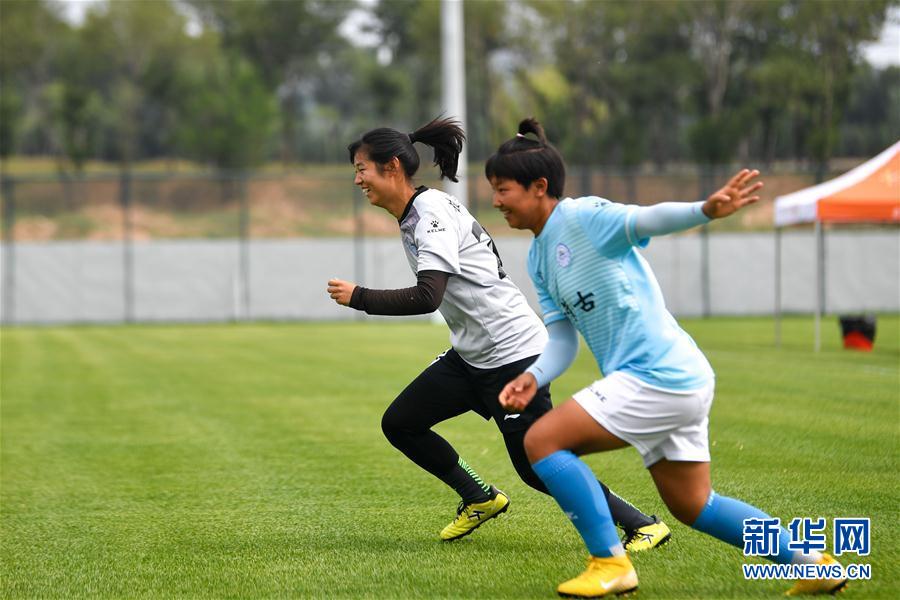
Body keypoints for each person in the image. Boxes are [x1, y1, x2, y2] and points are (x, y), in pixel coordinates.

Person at [489, 118, 848, 597]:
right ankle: (812, 564)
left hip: (657, 374)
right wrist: (534, 376)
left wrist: (705, 210)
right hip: (675, 379)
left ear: (539, 187)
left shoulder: (582, 217)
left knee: (542, 441)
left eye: (503, 189)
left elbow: (647, 219)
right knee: (695, 505)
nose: (496, 201)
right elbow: (562, 340)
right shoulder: (538, 257)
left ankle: (609, 562)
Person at [326, 116, 670, 548]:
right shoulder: (419, 210)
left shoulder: (430, 214)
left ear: (392, 167)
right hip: (473, 355)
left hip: (512, 354)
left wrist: (360, 297)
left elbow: (428, 296)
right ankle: (479, 496)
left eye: (362, 169)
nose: (357, 179)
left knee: (537, 464)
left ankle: (641, 523)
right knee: (401, 423)